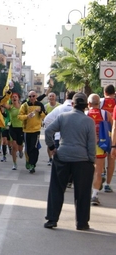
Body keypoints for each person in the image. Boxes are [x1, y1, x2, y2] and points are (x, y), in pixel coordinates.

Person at [44, 92, 96, 230]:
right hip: (82, 160)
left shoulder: (62, 117)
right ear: (86, 106)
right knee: (83, 192)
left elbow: (48, 130)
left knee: (56, 188)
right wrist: (92, 160)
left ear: (72, 104)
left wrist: (51, 147)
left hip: (63, 156)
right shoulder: (89, 121)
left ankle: (52, 219)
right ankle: (82, 222)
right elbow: (91, 144)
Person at [86, 94, 113, 205]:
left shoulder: (85, 114)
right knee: (98, 170)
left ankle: (85, 193)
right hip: (100, 146)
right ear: (99, 103)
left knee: (87, 170)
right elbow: (112, 127)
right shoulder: (106, 114)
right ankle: (95, 195)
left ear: (88, 104)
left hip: (86, 145)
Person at [18, 90, 46, 174]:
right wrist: (27, 116)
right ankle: (28, 161)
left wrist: (40, 111)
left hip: (36, 130)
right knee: (28, 148)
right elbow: (19, 116)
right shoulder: (25, 105)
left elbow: (44, 116)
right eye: (30, 96)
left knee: (34, 147)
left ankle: (32, 164)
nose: (32, 98)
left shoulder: (40, 105)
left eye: (33, 96)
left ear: (36, 96)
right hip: (26, 130)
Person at [100, 85, 116, 192]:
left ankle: (100, 175)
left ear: (104, 92)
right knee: (111, 159)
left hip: (101, 134)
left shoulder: (100, 101)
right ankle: (108, 185)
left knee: (100, 158)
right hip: (113, 135)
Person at [3, 92, 24, 170]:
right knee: (14, 146)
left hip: (21, 128)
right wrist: (6, 94)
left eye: (15, 97)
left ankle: (21, 151)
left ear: (18, 98)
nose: (14, 98)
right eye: (12, 97)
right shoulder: (10, 107)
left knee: (19, 146)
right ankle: (14, 164)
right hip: (12, 128)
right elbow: (2, 103)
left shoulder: (22, 107)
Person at [45, 92, 61, 165]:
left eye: (53, 96)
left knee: (57, 143)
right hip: (49, 128)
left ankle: (56, 158)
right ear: (48, 98)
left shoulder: (59, 106)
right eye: (50, 96)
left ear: (55, 97)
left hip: (57, 128)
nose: (51, 97)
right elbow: (43, 116)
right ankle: (50, 158)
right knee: (49, 143)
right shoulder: (46, 106)